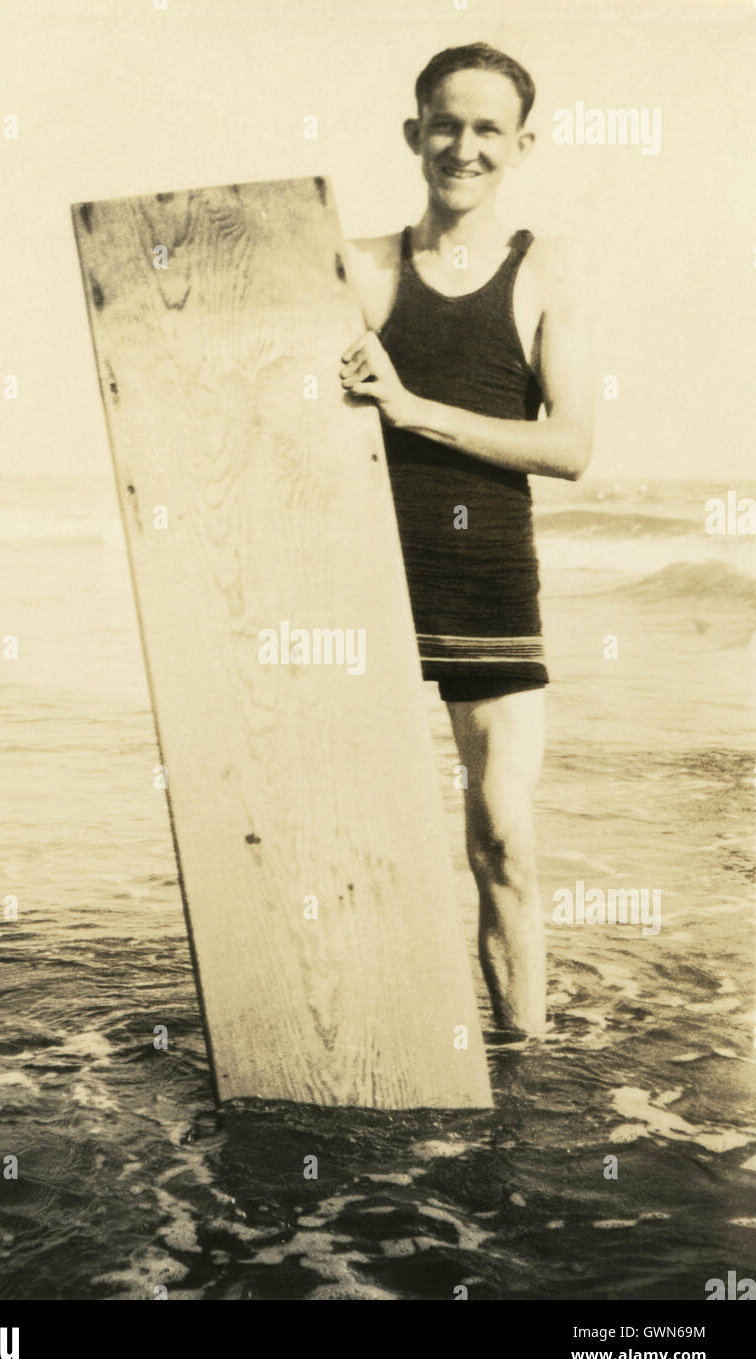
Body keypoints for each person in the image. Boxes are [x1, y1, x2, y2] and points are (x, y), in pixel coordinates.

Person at [341, 42, 593, 1037]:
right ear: (414, 135)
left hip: (487, 580)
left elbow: (570, 445)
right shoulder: (362, 268)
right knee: (352, 833)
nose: (464, 144)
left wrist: (409, 409)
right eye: (445, 123)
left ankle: (521, 1053)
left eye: (489, 127)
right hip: (361, 578)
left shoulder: (546, 270)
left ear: (522, 144)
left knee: (503, 842)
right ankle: (353, 1038)